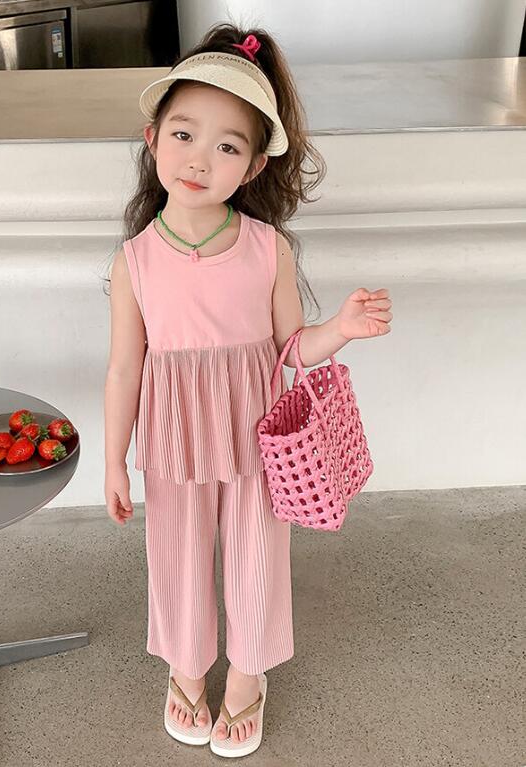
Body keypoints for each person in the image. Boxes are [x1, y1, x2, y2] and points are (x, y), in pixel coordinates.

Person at [103, 22, 393, 758]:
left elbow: (292, 349)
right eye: (184, 134)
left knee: (258, 556)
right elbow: (125, 367)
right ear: (152, 137)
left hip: (257, 435)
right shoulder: (134, 261)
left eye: (228, 147)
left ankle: (246, 676)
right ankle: (184, 668)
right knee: (176, 556)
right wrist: (113, 461)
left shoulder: (268, 249)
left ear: (256, 164)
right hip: (172, 437)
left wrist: (340, 328)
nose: (200, 159)